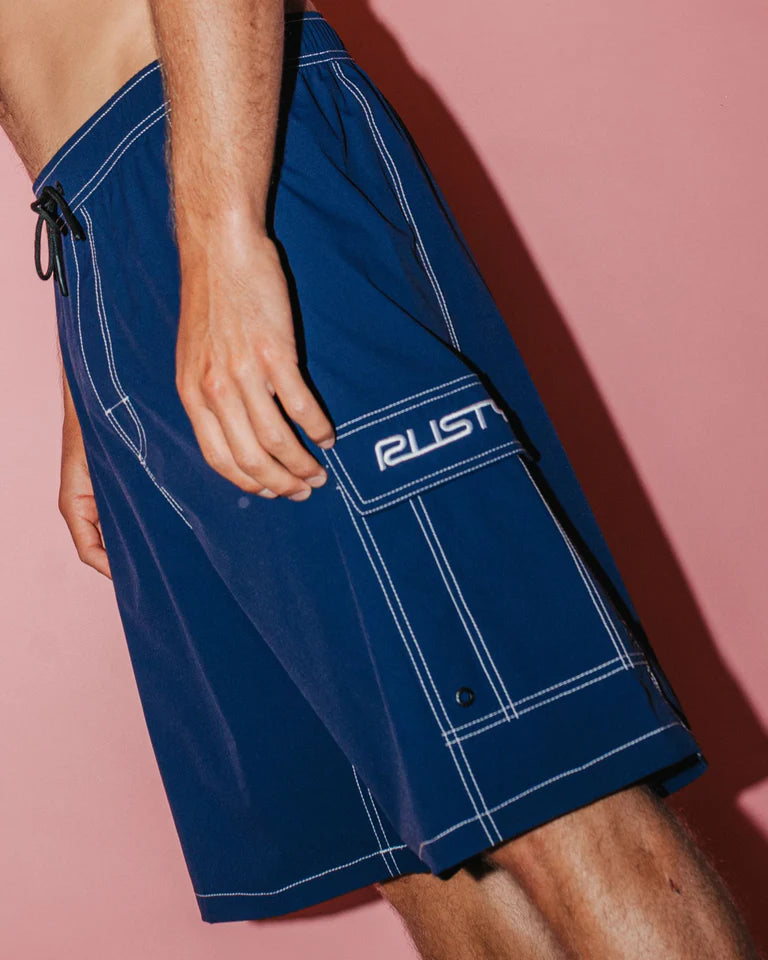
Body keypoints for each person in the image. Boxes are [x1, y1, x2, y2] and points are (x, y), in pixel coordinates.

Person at [2, 0, 759, 956]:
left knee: (543, 785)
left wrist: (225, 234)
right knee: (426, 856)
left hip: (216, 154)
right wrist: (94, 373)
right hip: (102, 229)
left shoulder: (221, 211)